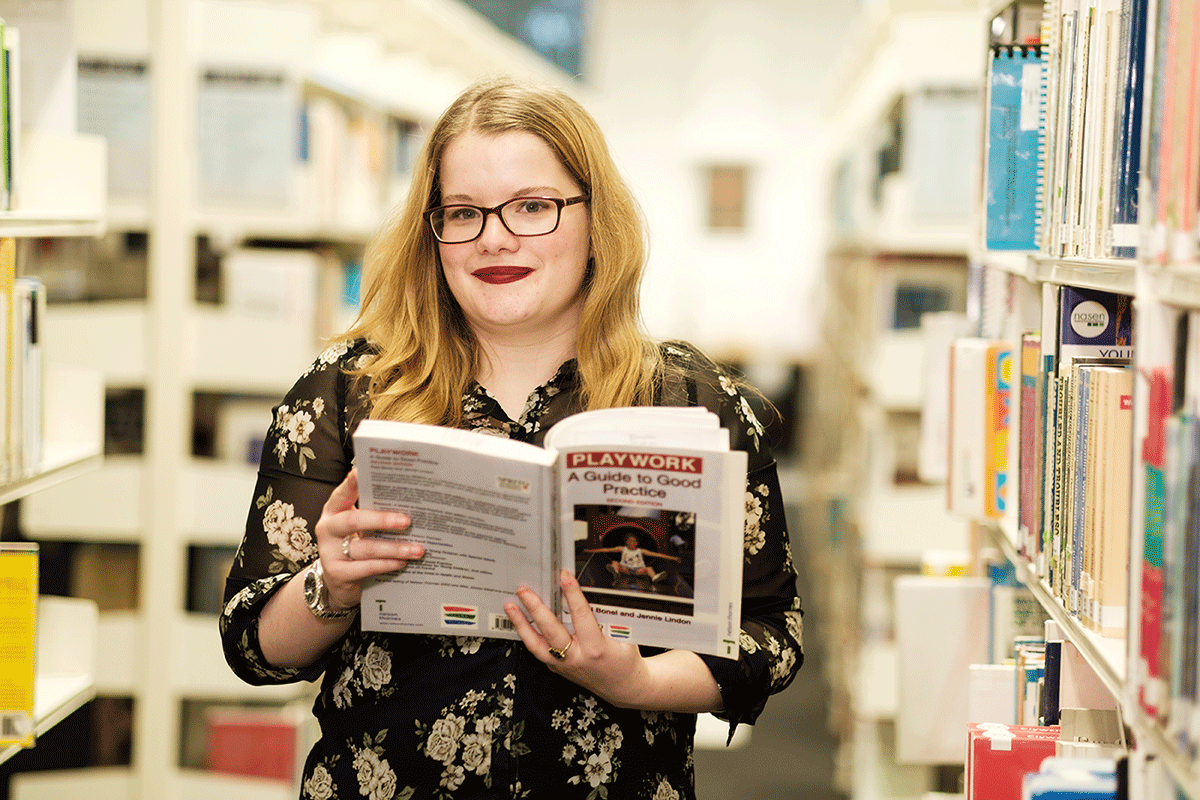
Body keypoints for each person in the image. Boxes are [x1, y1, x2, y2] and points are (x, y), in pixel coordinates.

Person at [221, 75, 803, 800]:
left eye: (533, 206)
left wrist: (637, 679)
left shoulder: (690, 402)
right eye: (464, 212)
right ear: (432, 232)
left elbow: (771, 636)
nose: (495, 237)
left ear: (597, 220)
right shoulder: (346, 391)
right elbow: (253, 645)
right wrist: (329, 586)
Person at [586, 529, 678, 587]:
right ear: (626, 542)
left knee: (649, 568)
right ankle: (616, 572)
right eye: (630, 541)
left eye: (634, 541)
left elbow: (657, 555)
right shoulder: (622, 549)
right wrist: (591, 551)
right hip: (625, 570)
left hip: (638, 571)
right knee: (614, 562)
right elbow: (607, 550)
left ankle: (654, 577)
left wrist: (673, 558)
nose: (632, 543)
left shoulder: (641, 551)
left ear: (637, 543)